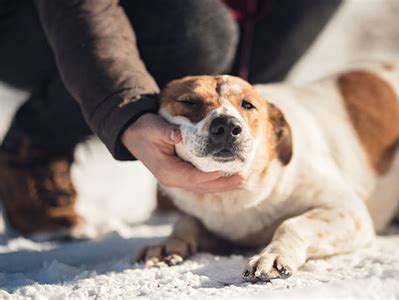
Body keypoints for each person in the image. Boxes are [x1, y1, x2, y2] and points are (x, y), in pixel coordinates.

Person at [0, 0, 341, 234]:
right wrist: (124, 107)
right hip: (38, 20)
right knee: (199, 33)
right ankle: (35, 145)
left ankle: (200, 155)